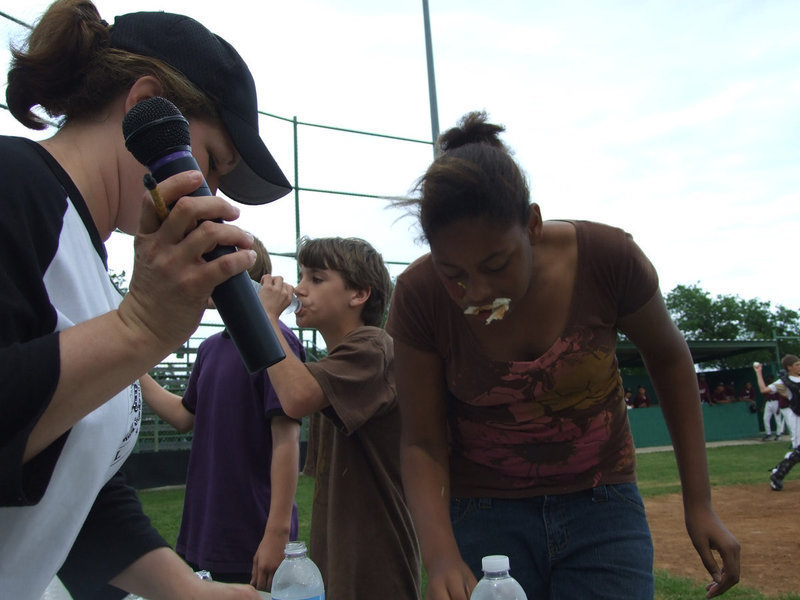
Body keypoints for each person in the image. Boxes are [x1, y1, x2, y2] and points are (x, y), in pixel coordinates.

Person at [0, 2, 291, 598]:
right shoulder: (12, 185)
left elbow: (69, 484)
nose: (210, 195)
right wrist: (140, 328)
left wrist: (189, 591)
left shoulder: (90, 257)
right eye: (210, 163)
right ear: (143, 109)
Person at [385, 111, 740, 599]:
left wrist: (698, 502)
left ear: (531, 224)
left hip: (604, 505)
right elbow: (422, 443)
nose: (476, 291)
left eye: (495, 264)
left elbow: (670, 359)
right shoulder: (420, 296)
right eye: (454, 273)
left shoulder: (608, 259)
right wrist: (442, 555)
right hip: (484, 517)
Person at [256, 236, 422, 599]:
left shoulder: (372, 349)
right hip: (343, 557)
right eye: (302, 276)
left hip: (376, 563)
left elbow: (295, 398)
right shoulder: (336, 365)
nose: (299, 289)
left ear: (359, 294)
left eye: (316, 278)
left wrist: (265, 316)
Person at [143, 237, 305, 590]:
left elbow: (286, 440)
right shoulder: (209, 349)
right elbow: (185, 417)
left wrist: (276, 534)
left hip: (253, 534)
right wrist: (133, 370)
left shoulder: (276, 342)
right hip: (204, 532)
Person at [754, 357, 800, 490]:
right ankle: (777, 475)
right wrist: (758, 372)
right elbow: (764, 390)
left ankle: (778, 471)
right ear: (789, 367)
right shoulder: (783, 382)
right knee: (798, 451)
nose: (799, 367)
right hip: (797, 417)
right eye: (797, 365)